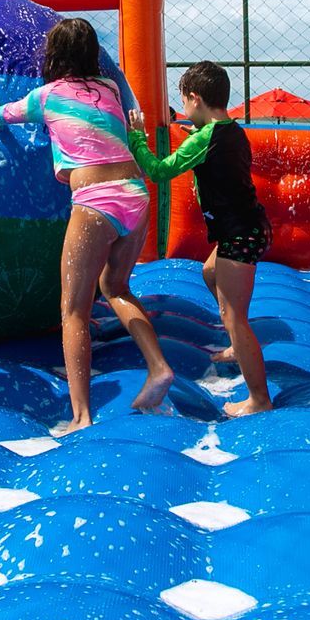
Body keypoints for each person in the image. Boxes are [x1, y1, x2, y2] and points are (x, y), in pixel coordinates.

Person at [0, 17, 173, 434]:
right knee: (115, 288)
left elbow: (4, 115)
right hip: (136, 194)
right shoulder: (111, 89)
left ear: (54, 56)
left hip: (95, 202)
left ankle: (81, 416)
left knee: (73, 311)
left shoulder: (46, 97)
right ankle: (157, 368)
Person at [128, 61, 273, 418]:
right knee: (210, 275)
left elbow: (160, 171)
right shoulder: (231, 130)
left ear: (194, 98)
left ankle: (259, 398)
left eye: (184, 101)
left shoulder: (206, 139)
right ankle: (238, 343)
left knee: (235, 316)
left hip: (239, 233)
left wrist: (136, 138)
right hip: (242, 228)